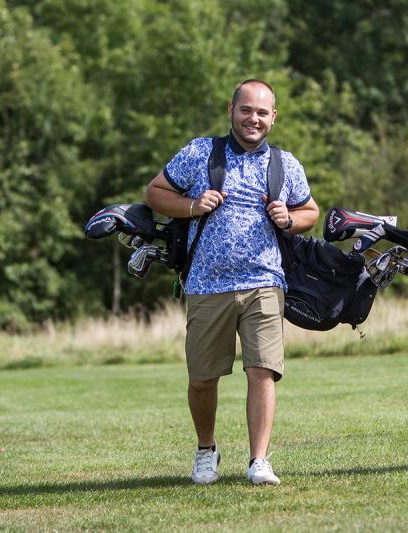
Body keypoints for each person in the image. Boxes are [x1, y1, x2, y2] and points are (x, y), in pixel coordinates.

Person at [146, 79, 319, 485]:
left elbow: (310, 210)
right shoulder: (200, 152)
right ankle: (206, 449)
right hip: (206, 284)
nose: (253, 118)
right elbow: (155, 193)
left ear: (274, 117)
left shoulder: (285, 163)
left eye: (262, 112)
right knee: (202, 378)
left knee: (263, 370)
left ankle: (259, 460)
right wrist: (191, 205)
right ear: (231, 110)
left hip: (264, 281)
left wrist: (289, 219)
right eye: (247, 110)